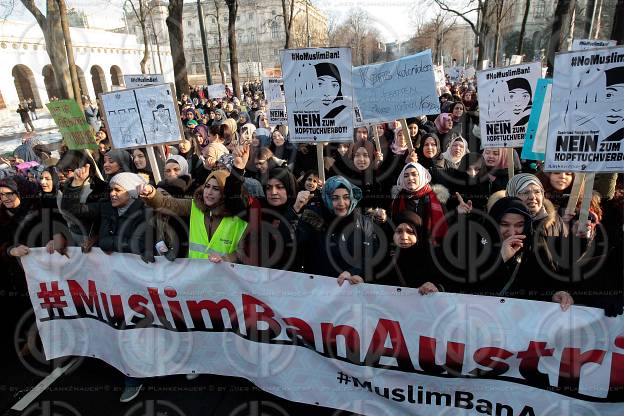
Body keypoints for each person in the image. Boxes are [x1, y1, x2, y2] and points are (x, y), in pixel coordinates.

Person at [61, 168, 156, 401]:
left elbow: (140, 245)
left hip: (136, 283)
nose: (112, 194)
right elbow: (73, 210)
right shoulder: (105, 207)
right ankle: (125, 368)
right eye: (111, 189)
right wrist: (75, 185)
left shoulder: (147, 212)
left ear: (132, 193)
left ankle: (135, 377)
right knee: (115, 325)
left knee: (135, 328)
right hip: (110, 281)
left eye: (118, 190)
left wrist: (104, 242)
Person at [297, 175, 380, 284]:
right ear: (326, 198)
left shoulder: (365, 223)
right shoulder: (313, 217)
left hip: (352, 293)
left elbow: (372, 256)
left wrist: (355, 273)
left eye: (346, 197)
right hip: (318, 290)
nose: (341, 203)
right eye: (334, 198)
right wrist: (296, 209)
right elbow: (293, 245)